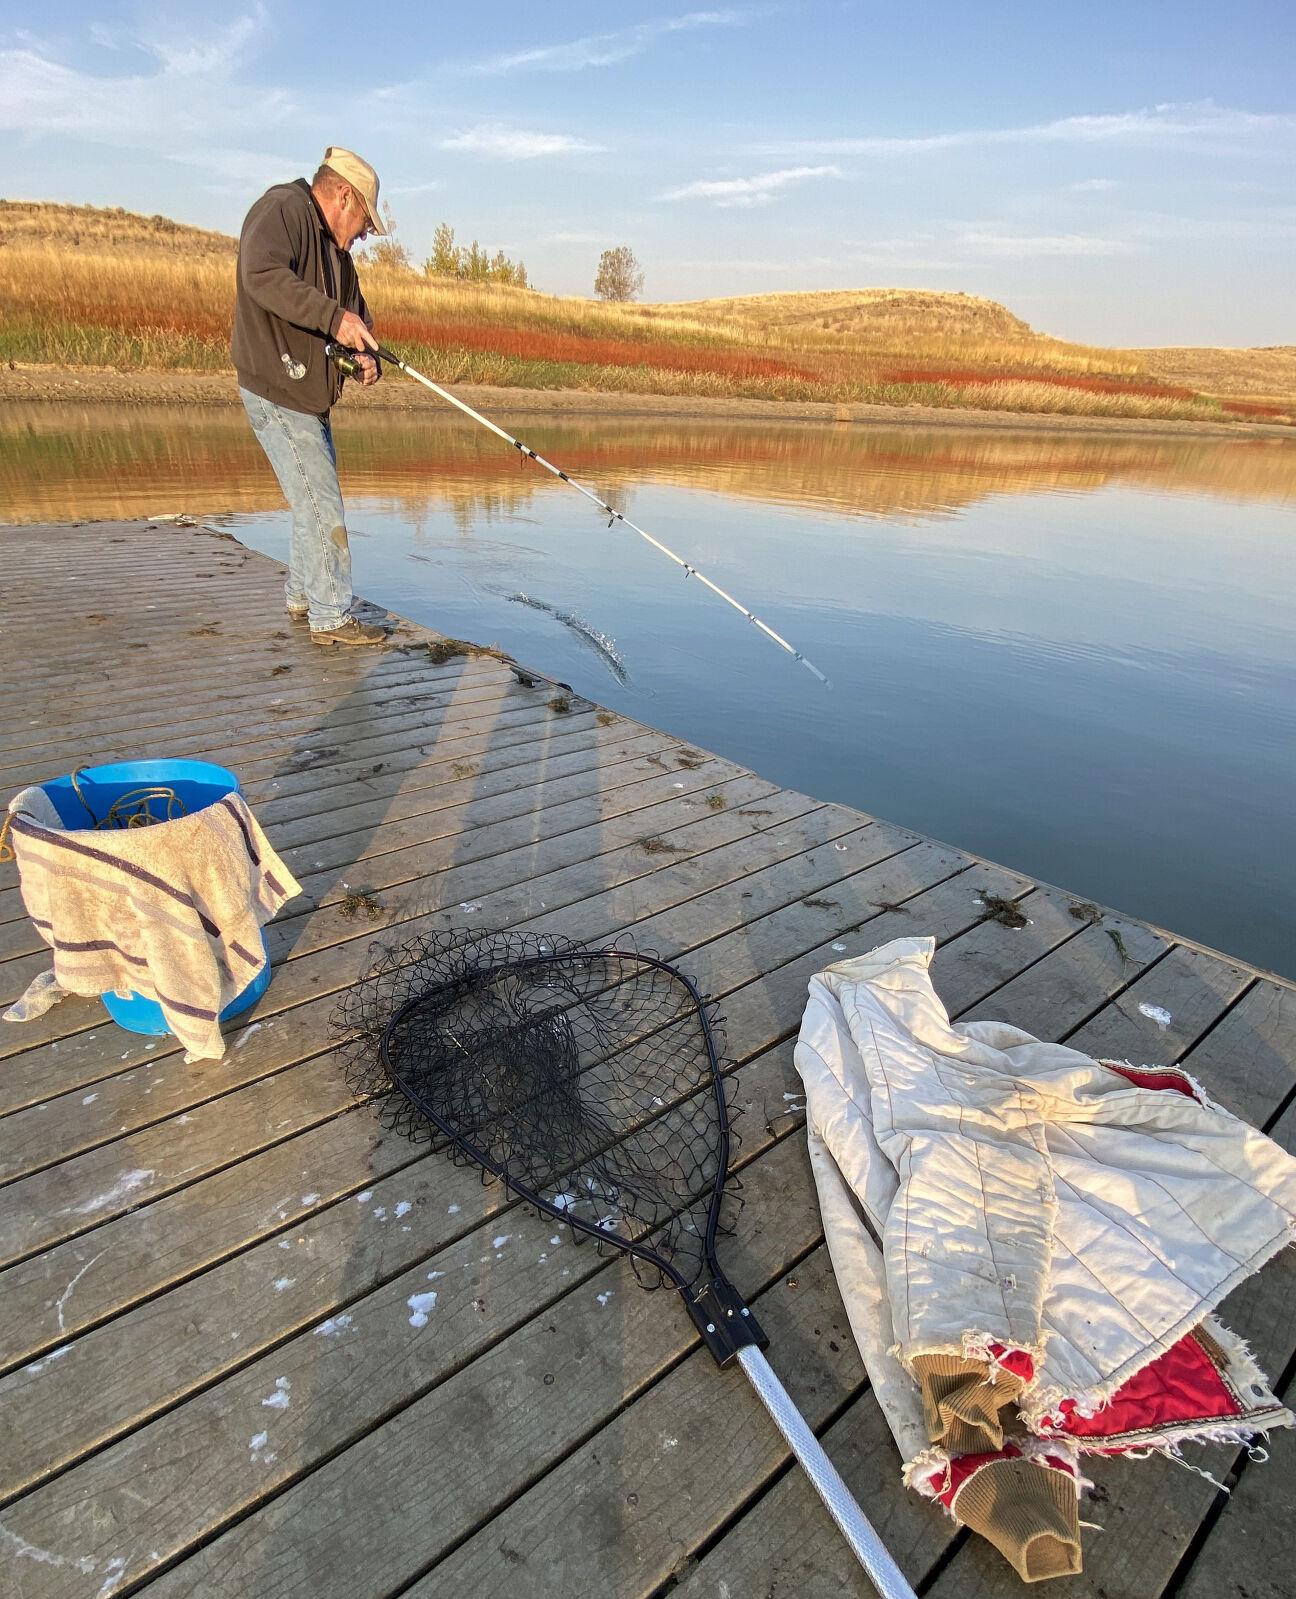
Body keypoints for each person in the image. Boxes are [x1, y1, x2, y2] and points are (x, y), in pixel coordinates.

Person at [232, 147, 388, 645]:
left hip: (310, 396)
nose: (366, 233)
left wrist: (367, 354)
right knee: (323, 504)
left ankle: (304, 597)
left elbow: (354, 314)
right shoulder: (283, 210)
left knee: (311, 498)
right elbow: (261, 276)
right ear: (344, 195)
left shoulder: (338, 257)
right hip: (275, 386)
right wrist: (333, 319)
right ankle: (331, 616)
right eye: (366, 219)